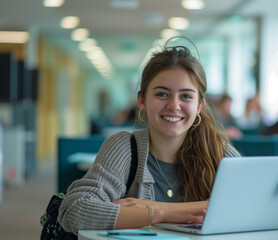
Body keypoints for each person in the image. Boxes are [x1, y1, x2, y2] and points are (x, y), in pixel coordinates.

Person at [58, 41, 241, 234]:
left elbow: (254, 205)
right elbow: (74, 211)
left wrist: (156, 208)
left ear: (199, 106)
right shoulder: (124, 147)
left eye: (186, 96)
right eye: (162, 94)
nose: (173, 105)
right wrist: (158, 213)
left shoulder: (217, 149)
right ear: (142, 101)